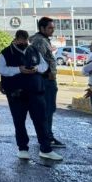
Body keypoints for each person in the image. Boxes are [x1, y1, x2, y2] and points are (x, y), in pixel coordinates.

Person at [0, 30, 62, 161]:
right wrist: (18, 69)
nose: (23, 43)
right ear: (15, 40)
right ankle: (22, 148)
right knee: (19, 122)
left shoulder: (33, 50)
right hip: (16, 94)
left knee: (41, 121)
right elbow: (0, 69)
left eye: (25, 40)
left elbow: (44, 65)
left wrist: (36, 68)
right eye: (21, 40)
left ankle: (46, 149)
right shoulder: (6, 53)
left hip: (36, 92)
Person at [30, 17, 65, 148]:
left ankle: (46, 135)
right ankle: (47, 137)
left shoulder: (43, 40)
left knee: (48, 110)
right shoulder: (39, 41)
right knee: (47, 110)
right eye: (50, 28)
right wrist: (47, 74)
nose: (52, 30)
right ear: (42, 28)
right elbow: (38, 62)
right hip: (45, 80)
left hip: (47, 80)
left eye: (53, 27)